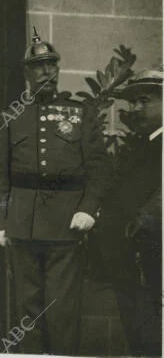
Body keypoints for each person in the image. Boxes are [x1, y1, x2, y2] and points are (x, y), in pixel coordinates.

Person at [0, 29, 111, 355]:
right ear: (27, 73)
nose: (46, 72)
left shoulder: (80, 114)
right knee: (26, 307)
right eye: (39, 66)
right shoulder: (12, 116)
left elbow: (99, 169)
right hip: (21, 223)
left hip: (65, 223)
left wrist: (89, 208)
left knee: (62, 307)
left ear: (57, 70)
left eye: (51, 65)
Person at [98, 66, 162, 356]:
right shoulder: (145, 144)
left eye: (144, 100)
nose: (135, 108)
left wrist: (141, 222)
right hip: (130, 258)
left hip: (151, 257)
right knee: (138, 329)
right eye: (132, 102)